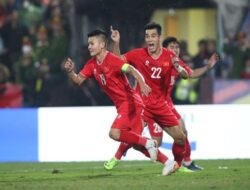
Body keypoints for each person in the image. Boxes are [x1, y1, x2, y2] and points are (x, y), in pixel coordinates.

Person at [64, 29, 178, 175]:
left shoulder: (112, 60)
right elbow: (78, 80)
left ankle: (148, 144)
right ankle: (169, 163)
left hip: (130, 103)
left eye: (92, 43)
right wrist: (70, 72)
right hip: (122, 105)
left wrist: (142, 84)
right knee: (136, 144)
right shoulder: (92, 65)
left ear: (102, 45)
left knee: (114, 133)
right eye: (88, 44)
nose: (89, 47)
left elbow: (131, 69)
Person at [104, 23, 190, 174]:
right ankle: (117, 157)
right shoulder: (138, 54)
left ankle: (176, 165)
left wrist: (178, 68)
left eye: (153, 36)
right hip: (142, 105)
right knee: (133, 138)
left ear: (159, 38)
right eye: (147, 36)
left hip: (161, 105)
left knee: (181, 138)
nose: (149, 39)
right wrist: (116, 43)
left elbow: (185, 76)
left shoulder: (170, 56)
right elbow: (118, 61)